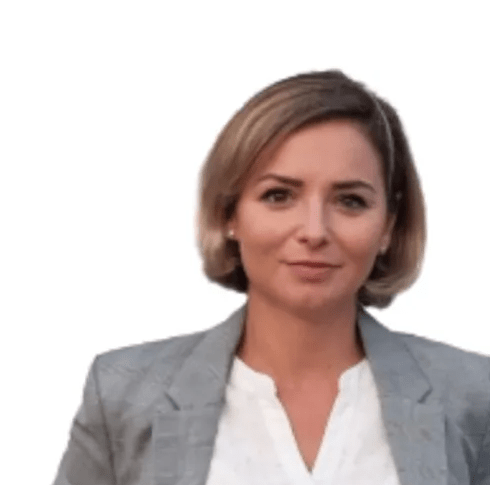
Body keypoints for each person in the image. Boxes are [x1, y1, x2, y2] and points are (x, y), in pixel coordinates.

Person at [53, 70, 490, 485]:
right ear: (228, 214)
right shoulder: (123, 395)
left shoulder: (473, 396)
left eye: (350, 201)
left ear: (388, 227)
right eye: (279, 195)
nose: (314, 231)